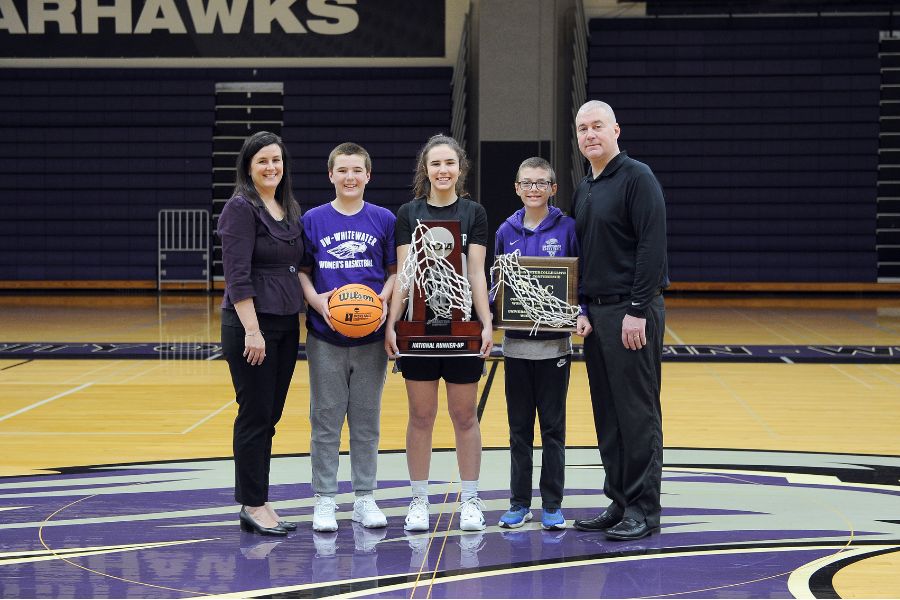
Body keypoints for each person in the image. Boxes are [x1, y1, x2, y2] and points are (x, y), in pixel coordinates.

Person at [384, 134, 493, 532]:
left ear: (459, 169)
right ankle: (418, 500)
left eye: (450, 163)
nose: (443, 170)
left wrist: (486, 322)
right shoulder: (408, 213)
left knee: (465, 416)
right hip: (417, 330)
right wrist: (392, 325)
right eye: (436, 164)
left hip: (462, 328)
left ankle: (470, 500)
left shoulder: (473, 213)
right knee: (421, 415)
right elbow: (402, 273)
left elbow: (477, 272)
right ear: (425, 170)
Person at [571, 100, 669, 541]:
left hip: (632, 312)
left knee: (637, 413)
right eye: (582, 129)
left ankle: (645, 510)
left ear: (616, 130)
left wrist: (636, 310)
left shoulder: (637, 177)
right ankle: (620, 500)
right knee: (607, 413)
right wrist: (580, 307)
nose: (589, 134)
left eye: (597, 126)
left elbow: (651, 247)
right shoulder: (585, 186)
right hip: (597, 313)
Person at [299, 142, 397, 532]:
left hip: (370, 336)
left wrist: (382, 301)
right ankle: (324, 499)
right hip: (326, 334)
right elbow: (303, 271)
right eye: (342, 170)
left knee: (366, 419)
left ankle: (364, 498)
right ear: (331, 175)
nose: (350, 177)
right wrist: (317, 302)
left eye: (357, 170)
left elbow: (394, 271)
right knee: (325, 418)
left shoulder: (384, 219)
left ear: (368, 175)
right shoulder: (313, 219)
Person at [493, 157, 592, 531]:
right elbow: (498, 284)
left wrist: (580, 311)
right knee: (519, 429)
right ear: (517, 188)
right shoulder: (506, 230)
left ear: (553, 188)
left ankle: (552, 503)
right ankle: (519, 503)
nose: (534, 189)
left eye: (541, 183)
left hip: (555, 348)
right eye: (527, 183)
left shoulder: (567, 228)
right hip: (516, 348)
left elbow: (578, 280)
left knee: (553, 428)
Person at [218, 131, 304, 537]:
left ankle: (260, 498)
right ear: (248, 167)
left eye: (277, 160)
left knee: (270, 416)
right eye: (262, 161)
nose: (271, 167)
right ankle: (252, 504)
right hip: (253, 326)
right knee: (254, 415)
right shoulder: (240, 208)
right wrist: (252, 330)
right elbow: (236, 276)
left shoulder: (286, 207)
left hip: (286, 323)